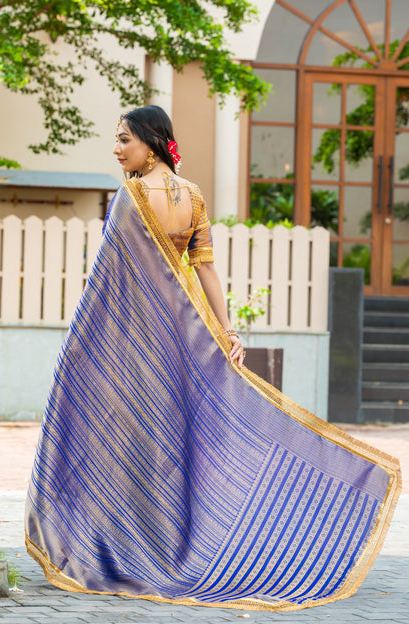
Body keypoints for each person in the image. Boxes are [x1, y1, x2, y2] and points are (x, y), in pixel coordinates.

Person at [25, 105, 401, 612]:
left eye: (123, 140)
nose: (116, 150)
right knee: (170, 444)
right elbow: (204, 270)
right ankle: (166, 546)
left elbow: (106, 284)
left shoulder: (129, 198)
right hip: (184, 338)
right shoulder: (194, 196)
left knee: (125, 440)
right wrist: (225, 332)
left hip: (135, 341)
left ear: (151, 142)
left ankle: (131, 549)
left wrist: (82, 347)